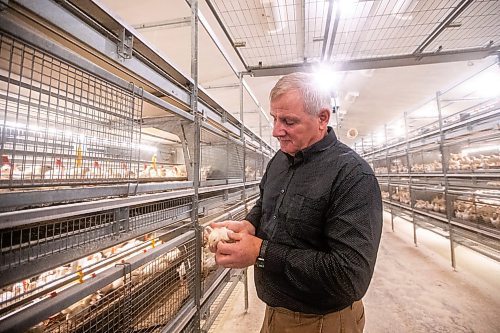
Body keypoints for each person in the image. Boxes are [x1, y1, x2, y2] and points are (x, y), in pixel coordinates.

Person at [211, 72, 383, 333]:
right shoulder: (280, 160)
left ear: (322, 118)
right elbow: (265, 203)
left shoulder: (352, 176)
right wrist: (249, 224)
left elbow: (351, 276)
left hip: (323, 321)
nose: (276, 131)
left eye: (288, 121)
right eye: (275, 118)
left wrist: (261, 252)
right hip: (275, 314)